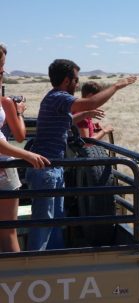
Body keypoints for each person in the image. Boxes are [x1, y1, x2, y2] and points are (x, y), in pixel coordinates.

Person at [26, 59, 137, 251]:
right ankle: (35, 263)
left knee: (56, 220)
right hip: (46, 170)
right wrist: (117, 86)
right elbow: (91, 101)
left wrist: (86, 115)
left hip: (53, 169)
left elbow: (67, 120)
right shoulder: (59, 97)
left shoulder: (53, 98)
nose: (77, 84)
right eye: (75, 80)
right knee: (44, 222)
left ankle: (54, 257)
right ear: (67, 80)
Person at [0, 44, 50, 252]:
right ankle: (17, 279)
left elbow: (18, 135)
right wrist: (27, 154)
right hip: (3, 169)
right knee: (8, 231)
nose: (2, 72)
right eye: (0, 66)